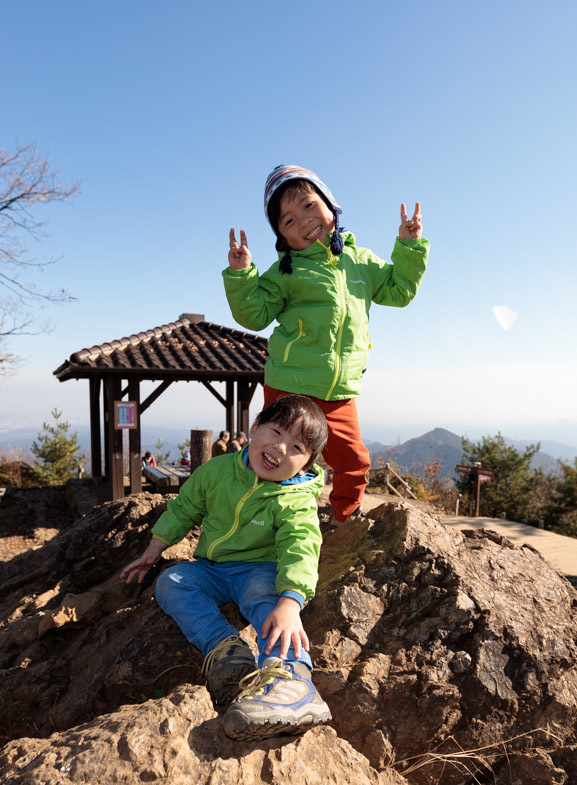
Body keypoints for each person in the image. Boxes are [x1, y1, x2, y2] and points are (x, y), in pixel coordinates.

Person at [224, 164, 428, 526]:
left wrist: (409, 247)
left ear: (330, 206)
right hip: (291, 385)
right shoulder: (286, 272)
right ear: (283, 239)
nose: (302, 221)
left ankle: (344, 522)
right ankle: (258, 518)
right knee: (277, 455)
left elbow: (399, 291)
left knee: (353, 460)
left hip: (340, 391)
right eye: (287, 221)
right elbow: (254, 316)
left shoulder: (361, 261)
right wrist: (242, 275)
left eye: (307, 205)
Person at [119, 394, 331, 740]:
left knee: (268, 602)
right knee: (172, 581)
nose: (280, 448)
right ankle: (227, 653)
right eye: (275, 432)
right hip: (212, 568)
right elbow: (185, 508)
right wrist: (155, 548)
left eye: (296, 447)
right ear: (253, 428)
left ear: (306, 465)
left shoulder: (295, 498)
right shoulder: (217, 471)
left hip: (259, 570)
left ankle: (293, 682)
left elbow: (301, 547)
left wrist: (291, 602)